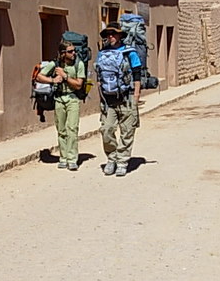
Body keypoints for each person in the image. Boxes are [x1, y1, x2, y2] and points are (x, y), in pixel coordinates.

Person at [95, 22, 142, 177]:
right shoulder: (102, 54)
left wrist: (136, 96)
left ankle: (122, 161)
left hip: (127, 98)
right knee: (106, 130)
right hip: (108, 100)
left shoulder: (130, 52)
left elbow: (137, 74)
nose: (111, 37)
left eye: (114, 34)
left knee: (127, 131)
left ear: (120, 35)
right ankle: (112, 158)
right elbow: (99, 77)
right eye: (108, 34)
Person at [35, 40, 86, 170]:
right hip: (58, 99)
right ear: (63, 53)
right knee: (61, 129)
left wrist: (65, 76)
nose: (73, 53)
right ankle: (63, 157)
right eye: (70, 51)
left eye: (74, 50)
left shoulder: (78, 64)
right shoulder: (55, 64)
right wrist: (52, 80)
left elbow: (79, 84)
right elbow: (39, 77)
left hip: (72, 98)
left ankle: (72, 158)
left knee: (72, 129)